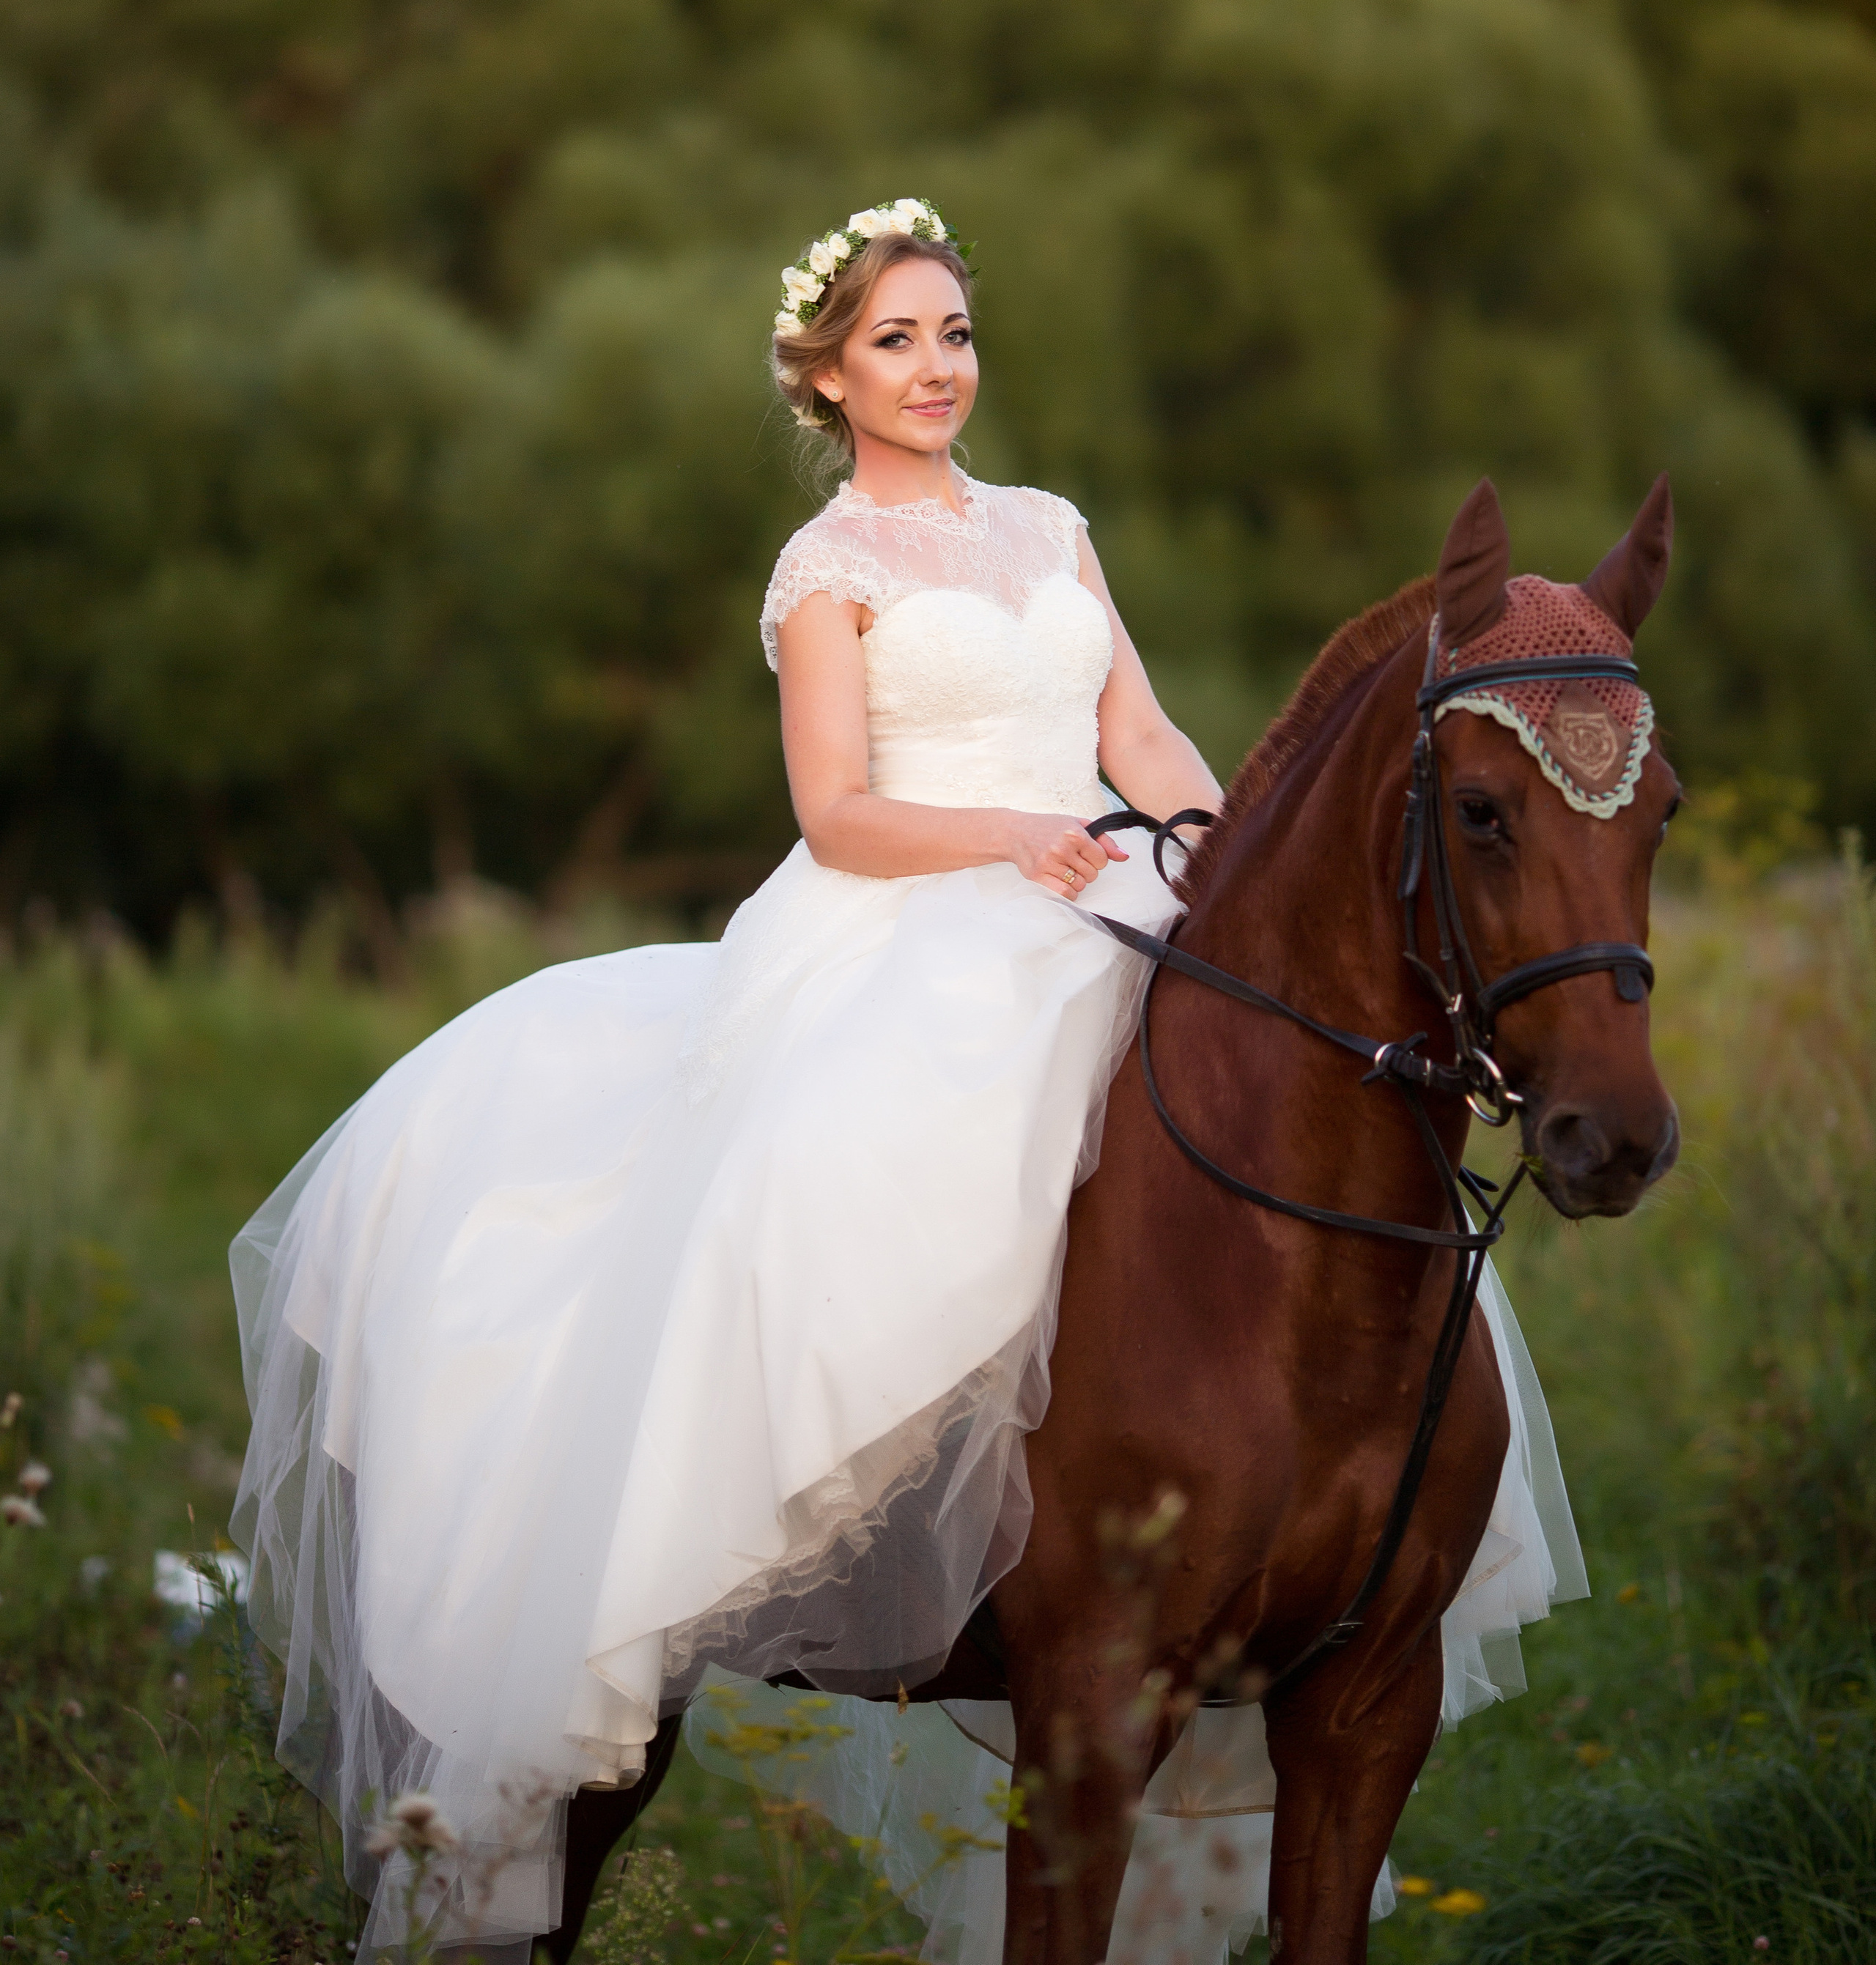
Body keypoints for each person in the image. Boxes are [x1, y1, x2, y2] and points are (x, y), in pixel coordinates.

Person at [230, 201, 1580, 1963]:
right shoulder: (827, 569)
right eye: (894, 342)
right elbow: (837, 812)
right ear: (824, 374)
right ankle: (848, 1517)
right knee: (882, 1171)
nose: (934, 368)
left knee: (1265, 1106)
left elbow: (1142, 732)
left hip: (1102, 874)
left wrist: (1204, 841)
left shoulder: (1048, 531)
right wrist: (1017, 839)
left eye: (951, 334)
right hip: (911, 910)